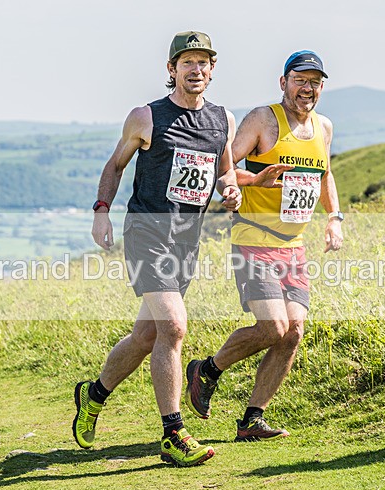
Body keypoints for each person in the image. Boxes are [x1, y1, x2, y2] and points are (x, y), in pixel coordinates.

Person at [73, 31, 241, 466]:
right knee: (174, 327)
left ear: (212, 69)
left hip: (186, 241)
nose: (196, 70)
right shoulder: (146, 117)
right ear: (172, 70)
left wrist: (231, 189)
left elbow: (225, 172)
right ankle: (172, 433)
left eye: (204, 62)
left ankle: (92, 396)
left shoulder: (223, 119)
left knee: (146, 335)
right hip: (147, 234)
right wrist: (100, 209)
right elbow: (115, 165)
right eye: (188, 62)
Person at [185, 50, 343, 441]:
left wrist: (334, 218)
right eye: (300, 80)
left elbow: (325, 174)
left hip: (294, 244)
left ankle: (252, 419)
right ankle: (207, 370)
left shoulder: (323, 127)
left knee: (293, 332)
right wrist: (257, 181)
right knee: (273, 325)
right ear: (283, 82)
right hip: (253, 239)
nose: (307, 88)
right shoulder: (262, 119)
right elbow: (222, 168)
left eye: (314, 82)